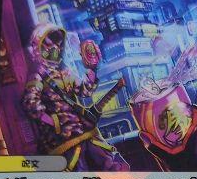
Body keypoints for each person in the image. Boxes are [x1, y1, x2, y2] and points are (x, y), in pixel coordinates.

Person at [21, 25, 127, 170]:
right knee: (78, 171)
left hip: (83, 130)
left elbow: (84, 91)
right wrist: (55, 123)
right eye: (50, 45)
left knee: (108, 161)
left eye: (58, 45)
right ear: (38, 47)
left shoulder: (65, 72)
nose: (55, 49)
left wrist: (92, 70)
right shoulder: (37, 75)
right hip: (62, 139)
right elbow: (30, 104)